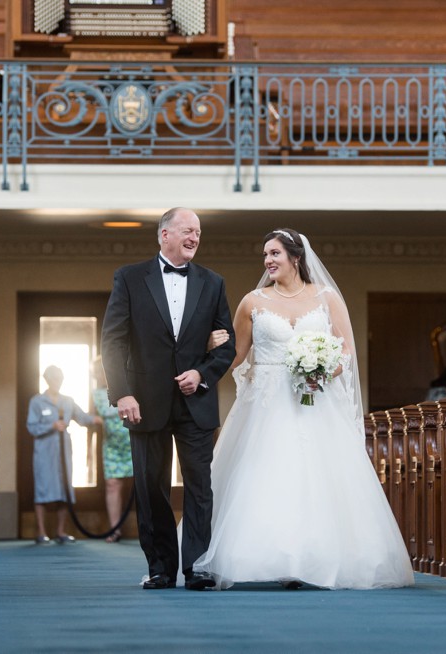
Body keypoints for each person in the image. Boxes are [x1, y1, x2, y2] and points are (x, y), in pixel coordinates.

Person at [192, 228, 415, 590]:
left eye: (275, 253)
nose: (268, 261)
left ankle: (314, 558)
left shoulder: (326, 298)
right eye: (265, 255)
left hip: (314, 399)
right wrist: (204, 356)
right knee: (264, 475)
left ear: (296, 257)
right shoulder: (253, 301)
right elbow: (234, 355)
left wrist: (323, 370)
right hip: (265, 404)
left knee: (316, 476)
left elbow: (346, 350)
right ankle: (265, 558)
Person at [101, 207, 236, 590]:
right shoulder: (129, 278)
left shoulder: (214, 283)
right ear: (164, 235)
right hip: (143, 402)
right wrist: (122, 392)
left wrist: (202, 373)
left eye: (198, 232)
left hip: (196, 403)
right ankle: (161, 567)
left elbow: (227, 346)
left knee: (199, 487)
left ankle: (198, 567)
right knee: (150, 486)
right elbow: (112, 341)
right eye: (187, 230)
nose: (194, 237)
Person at [26, 365, 103, 544]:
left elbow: (82, 417)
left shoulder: (68, 401)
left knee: (65, 489)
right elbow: (31, 427)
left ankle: (61, 531)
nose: (57, 382)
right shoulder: (37, 401)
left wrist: (99, 419)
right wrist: (51, 426)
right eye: (53, 379)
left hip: (64, 452)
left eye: (59, 379)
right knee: (42, 488)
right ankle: (41, 532)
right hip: (44, 452)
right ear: (47, 380)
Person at [91, 355, 133, 543]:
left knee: (141, 485)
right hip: (111, 445)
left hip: (132, 440)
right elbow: (93, 417)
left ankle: (149, 527)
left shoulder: (128, 386)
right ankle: (115, 528)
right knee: (113, 485)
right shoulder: (96, 393)